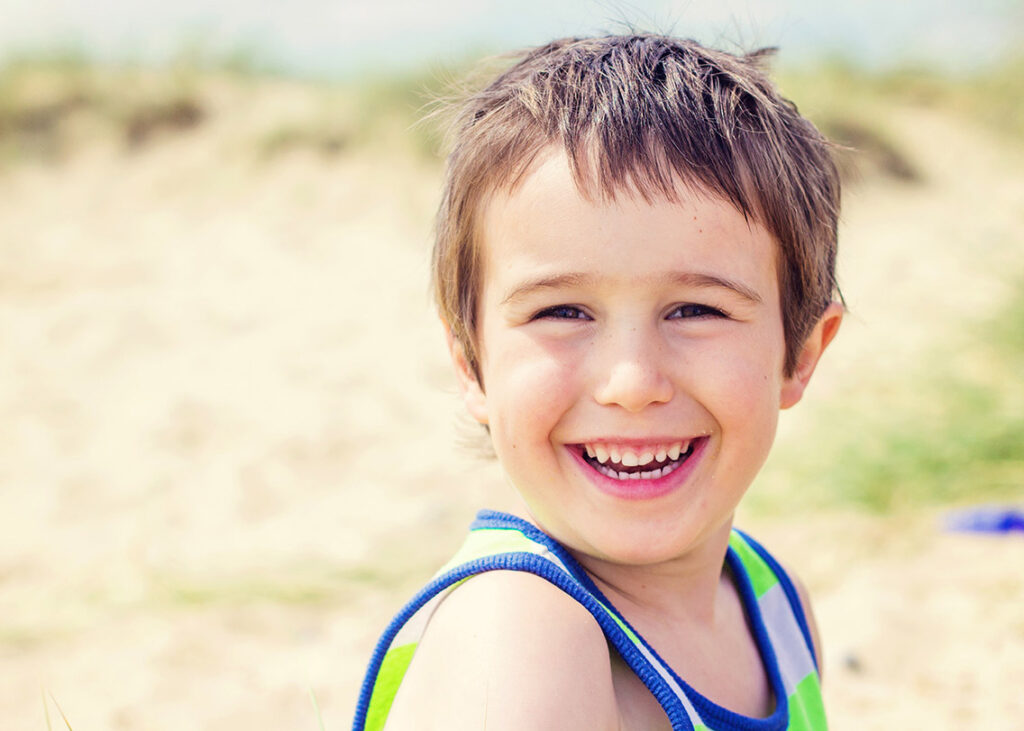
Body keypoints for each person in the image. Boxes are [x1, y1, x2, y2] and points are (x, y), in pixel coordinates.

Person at [353, 33, 843, 731]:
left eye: (696, 309)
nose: (631, 382)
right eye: (563, 311)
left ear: (800, 353)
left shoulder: (774, 605)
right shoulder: (519, 638)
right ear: (471, 363)